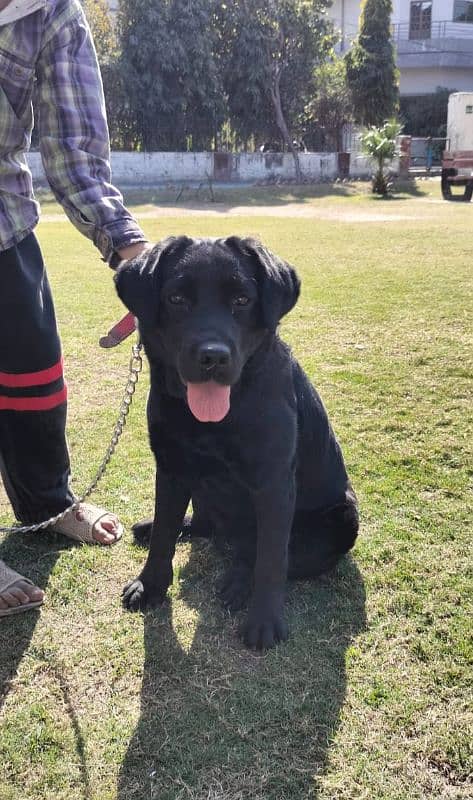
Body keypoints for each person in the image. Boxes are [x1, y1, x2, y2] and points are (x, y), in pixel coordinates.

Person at [0, 0, 149, 616]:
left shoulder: (51, 12)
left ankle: (46, 503)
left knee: (34, 379)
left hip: (3, 225)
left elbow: (76, 151)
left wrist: (133, 254)